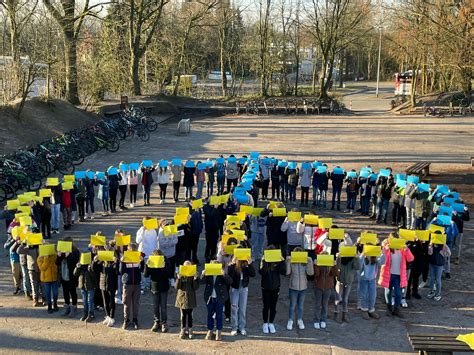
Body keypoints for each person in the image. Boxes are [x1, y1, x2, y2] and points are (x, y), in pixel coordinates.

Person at [378, 236, 414, 318]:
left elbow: (411, 259)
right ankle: (389, 308)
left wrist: (407, 249)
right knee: (388, 293)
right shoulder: (387, 248)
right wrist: (385, 249)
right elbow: (381, 258)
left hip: (399, 276)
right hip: (388, 274)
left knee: (398, 293)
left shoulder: (402, 249)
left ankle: (396, 309)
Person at [144, 250, 173, 333]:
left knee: (163, 306)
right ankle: (156, 322)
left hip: (164, 287)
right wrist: (147, 265)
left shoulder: (166, 261)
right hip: (154, 287)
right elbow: (146, 275)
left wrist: (164, 267)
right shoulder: (152, 261)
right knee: (155, 306)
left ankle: (164, 323)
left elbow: (169, 274)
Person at [202, 261, 232, 341]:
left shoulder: (221, 274)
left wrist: (224, 274)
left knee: (219, 315)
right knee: (210, 315)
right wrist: (203, 274)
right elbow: (201, 282)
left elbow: (230, 281)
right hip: (210, 297)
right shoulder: (209, 274)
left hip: (220, 298)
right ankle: (210, 330)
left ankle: (218, 331)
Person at [259, 246, 286, 334]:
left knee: (273, 307)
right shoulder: (264, 261)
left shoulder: (277, 263)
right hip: (265, 287)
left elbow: (283, 271)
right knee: (266, 306)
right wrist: (264, 261)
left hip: (276, 287)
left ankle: (271, 322)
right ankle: (265, 323)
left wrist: (282, 261)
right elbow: (262, 272)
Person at [285, 247, 314, 330]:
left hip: (303, 287)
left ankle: (300, 320)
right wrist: (288, 262)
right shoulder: (292, 262)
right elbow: (287, 272)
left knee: (300, 306)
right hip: (293, 287)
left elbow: (310, 273)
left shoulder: (305, 263)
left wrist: (310, 261)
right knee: (292, 305)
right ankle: (290, 320)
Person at [334, 237, 361, 322]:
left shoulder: (352, 259)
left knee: (345, 299)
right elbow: (336, 267)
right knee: (338, 298)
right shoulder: (340, 258)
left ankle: (344, 314)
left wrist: (357, 258)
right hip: (340, 281)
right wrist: (338, 258)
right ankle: (336, 313)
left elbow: (358, 267)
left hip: (348, 281)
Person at [228, 255, 256, 336]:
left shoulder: (246, 264)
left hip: (244, 288)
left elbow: (253, 274)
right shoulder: (233, 265)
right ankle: (234, 327)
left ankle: (242, 327)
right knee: (234, 309)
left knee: (242, 309)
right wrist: (233, 264)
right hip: (235, 288)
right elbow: (230, 276)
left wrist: (250, 264)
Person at [313, 244, 339, 329]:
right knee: (317, 304)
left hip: (328, 287)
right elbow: (316, 275)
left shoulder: (331, 266)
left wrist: (334, 265)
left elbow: (336, 274)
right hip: (318, 287)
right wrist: (316, 265)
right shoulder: (318, 265)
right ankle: (316, 320)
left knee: (325, 305)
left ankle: (323, 320)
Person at [120, 243, 145, 330]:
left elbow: (142, 270)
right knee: (126, 303)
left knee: (135, 303)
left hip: (137, 284)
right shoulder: (125, 258)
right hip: (127, 284)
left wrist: (142, 261)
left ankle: (135, 319)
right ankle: (126, 320)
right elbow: (121, 272)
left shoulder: (138, 257)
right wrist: (122, 262)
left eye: (134, 251)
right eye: (131, 251)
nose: (133, 252)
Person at [359, 247, 386, 320]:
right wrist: (362, 255)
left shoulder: (375, 257)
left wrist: (383, 252)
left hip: (372, 280)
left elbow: (382, 262)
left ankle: (371, 309)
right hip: (364, 279)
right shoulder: (363, 257)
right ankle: (364, 309)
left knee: (373, 295)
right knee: (363, 295)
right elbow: (359, 266)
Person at [56, 237, 80, 317]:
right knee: (65, 292)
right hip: (63, 276)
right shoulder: (62, 251)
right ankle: (67, 306)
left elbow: (73, 265)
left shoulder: (75, 252)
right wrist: (59, 256)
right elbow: (57, 263)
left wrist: (68, 256)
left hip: (72, 277)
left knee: (73, 292)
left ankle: (74, 307)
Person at [175, 261, 200, 339]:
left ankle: (190, 329)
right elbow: (177, 287)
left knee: (189, 314)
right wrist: (179, 278)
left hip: (191, 297)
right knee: (182, 315)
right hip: (182, 297)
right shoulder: (181, 275)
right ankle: (182, 329)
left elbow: (195, 287)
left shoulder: (193, 275)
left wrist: (195, 278)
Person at [98, 246, 119, 327]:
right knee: (105, 302)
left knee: (111, 302)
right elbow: (95, 269)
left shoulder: (114, 263)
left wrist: (116, 263)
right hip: (103, 284)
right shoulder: (102, 262)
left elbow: (118, 272)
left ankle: (112, 317)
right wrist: (95, 261)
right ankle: (107, 316)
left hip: (111, 284)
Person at [18, 240, 43, 307]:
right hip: (32, 268)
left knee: (42, 284)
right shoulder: (28, 248)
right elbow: (19, 251)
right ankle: (35, 299)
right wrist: (23, 243)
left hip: (42, 268)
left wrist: (43, 243)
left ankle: (44, 298)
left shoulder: (41, 246)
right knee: (34, 284)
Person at [136, 217, 158, 291]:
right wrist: (143, 230)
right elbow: (138, 240)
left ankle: (148, 284)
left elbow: (155, 242)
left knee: (149, 269)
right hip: (143, 253)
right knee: (142, 269)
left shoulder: (154, 231)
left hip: (151, 253)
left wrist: (155, 252)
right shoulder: (141, 230)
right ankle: (142, 284)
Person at [427, 231, 451, 302]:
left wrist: (444, 251)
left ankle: (438, 294)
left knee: (438, 280)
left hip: (439, 265)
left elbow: (449, 254)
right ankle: (431, 291)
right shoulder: (432, 244)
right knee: (431, 279)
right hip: (432, 263)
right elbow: (430, 253)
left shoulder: (443, 245)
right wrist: (430, 246)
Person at [73, 255, 97, 322]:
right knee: (85, 300)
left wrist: (90, 268)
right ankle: (85, 313)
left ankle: (91, 314)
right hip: (82, 286)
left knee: (90, 301)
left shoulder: (91, 266)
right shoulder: (80, 266)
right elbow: (75, 274)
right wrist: (77, 267)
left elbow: (94, 277)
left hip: (90, 286)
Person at [4, 230, 21, 295]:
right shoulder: (11, 238)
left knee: (24, 275)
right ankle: (18, 287)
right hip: (14, 259)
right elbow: (6, 246)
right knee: (16, 275)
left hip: (23, 259)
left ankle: (25, 289)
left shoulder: (24, 235)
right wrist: (14, 240)